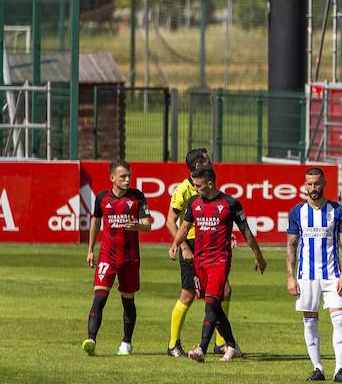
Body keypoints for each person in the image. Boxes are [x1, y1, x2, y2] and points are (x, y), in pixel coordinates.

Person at [173, 163, 267, 362]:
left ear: (210, 183)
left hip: (219, 261)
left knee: (211, 304)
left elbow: (246, 232)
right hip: (200, 262)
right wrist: (176, 244)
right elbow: (185, 226)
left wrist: (258, 255)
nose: (195, 188)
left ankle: (201, 349)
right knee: (214, 306)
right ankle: (232, 346)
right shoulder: (193, 203)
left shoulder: (230, 203)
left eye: (198, 185)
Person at [165, 147, 235, 359]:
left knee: (224, 291)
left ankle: (221, 342)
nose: (211, 163)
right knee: (188, 294)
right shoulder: (184, 190)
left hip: (211, 244)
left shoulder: (208, 186)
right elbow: (170, 221)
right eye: (208, 160)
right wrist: (184, 246)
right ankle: (173, 344)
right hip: (193, 246)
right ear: (198, 166)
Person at [286, 166, 342, 383]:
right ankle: (318, 368)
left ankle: (339, 369)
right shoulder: (297, 212)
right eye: (309, 184)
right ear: (305, 185)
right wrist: (290, 276)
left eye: (317, 183)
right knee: (310, 322)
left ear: (324, 183)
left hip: (333, 275)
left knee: (340, 320)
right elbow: (291, 246)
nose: (313, 188)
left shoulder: (338, 211)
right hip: (307, 276)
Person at [82, 160, 151, 356]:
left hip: (130, 258)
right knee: (99, 298)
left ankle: (126, 343)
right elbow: (95, 223)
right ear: (112, 178)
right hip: (107, 257)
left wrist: (137, 225)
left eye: (129, 176)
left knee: (127, 301)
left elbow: (148, 225)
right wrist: (90, 250)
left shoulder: (137, 197)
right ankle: (91, 340)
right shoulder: (102, 198)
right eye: (123, 176)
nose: (127, 179)